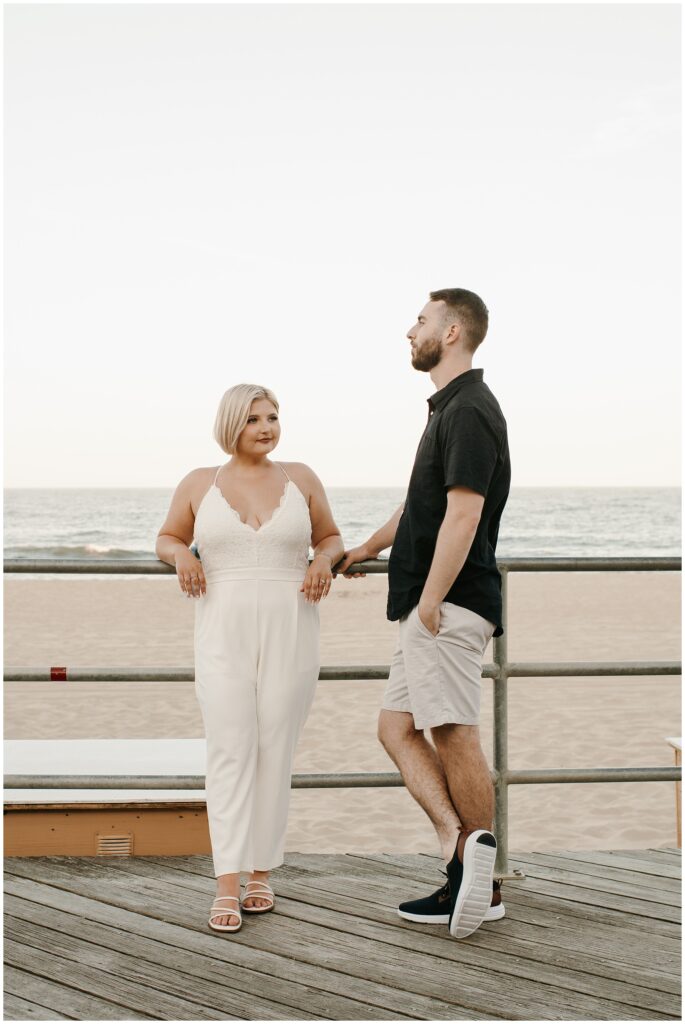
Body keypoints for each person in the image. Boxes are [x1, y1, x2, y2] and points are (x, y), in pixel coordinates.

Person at [336, 288, 510, 939]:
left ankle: (482, 886)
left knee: (453, 733)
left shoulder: (469, 409)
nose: (409, 330)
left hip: (447, 604)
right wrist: (363, 549)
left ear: (454, 330)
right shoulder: (446, 409)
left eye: (420, 320)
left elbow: (463, 513)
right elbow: (421, 509)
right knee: (395, 727)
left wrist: (433, 598)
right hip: (426, 605)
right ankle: (456, 848)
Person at [156, 384, 343, 933]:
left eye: (273, 417)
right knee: (230, 748)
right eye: (254, 419)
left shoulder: (301, 478)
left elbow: (330, 536)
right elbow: (167, 536)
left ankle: (262, 870)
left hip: (292, 624)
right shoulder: (199, 483)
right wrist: (179, 558)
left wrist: (324, 561)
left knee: (274, 747)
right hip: (222, 628)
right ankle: (227, 882)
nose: (267, 427)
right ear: (231, 424)